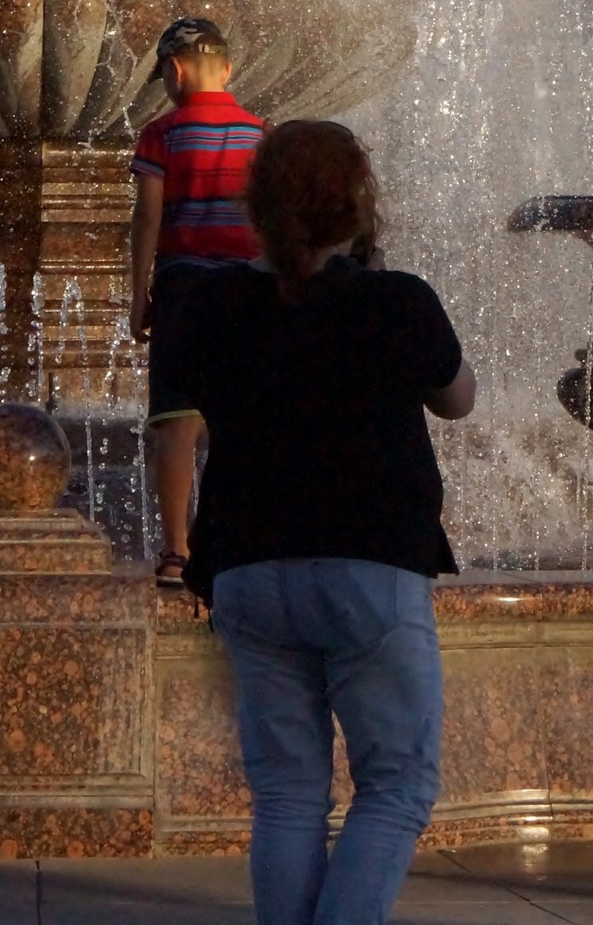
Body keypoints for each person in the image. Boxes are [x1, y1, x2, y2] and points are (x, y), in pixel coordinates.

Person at [169, 118, 475, 925]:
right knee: (396, 786)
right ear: (356, 206)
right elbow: (458, 397)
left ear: (257, 208)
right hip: (367, 564)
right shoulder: (395, 301)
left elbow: (184, 411)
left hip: (249, 566)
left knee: (287, 796)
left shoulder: (212, 304)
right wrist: (370, 277)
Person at [129, 16, 268, 587]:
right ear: (228, 70)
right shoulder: (262, 135)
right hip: (247, 287)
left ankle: (177, 552)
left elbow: (148, 218)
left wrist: (138, 294)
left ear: (174, 70)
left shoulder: (160, 135)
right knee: (246, 416)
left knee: (177, 422)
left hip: (185, 288)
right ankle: (245, 539)